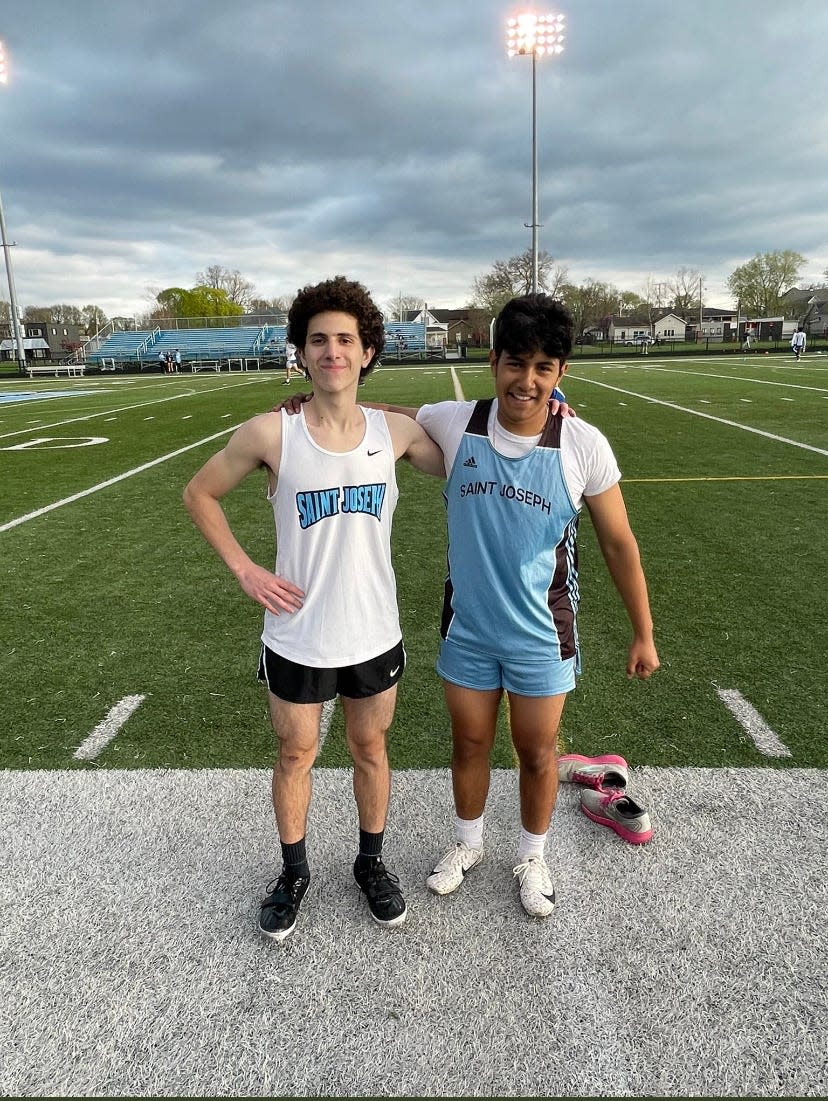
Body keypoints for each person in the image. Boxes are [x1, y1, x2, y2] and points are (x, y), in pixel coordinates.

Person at [280, 294, 659, 920]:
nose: (527, 380)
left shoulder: (584, 445)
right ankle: (468, 844)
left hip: (543, 633)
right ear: (494, 361)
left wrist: (642, 632)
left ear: (561, 372)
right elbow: (385, 418)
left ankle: (533, 856)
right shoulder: (459, 423)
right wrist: (314, 404)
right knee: (470, 742)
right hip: (469, 630)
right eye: (516, 363)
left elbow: (619, 543)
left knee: (538, 751)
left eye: (543, 367)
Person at [183, 276, 444, 943]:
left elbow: (461, 454)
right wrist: (245, 569)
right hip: (297, 633)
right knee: (296, 751)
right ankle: (293, 872)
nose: (332, 351)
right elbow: (199, 493)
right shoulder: (272, 431)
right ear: (300, 351)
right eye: (319, 340)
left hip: (373, 630)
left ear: (368, 351)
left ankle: (371, 863)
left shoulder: (398, 432)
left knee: (370, 746)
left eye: (346, 341)